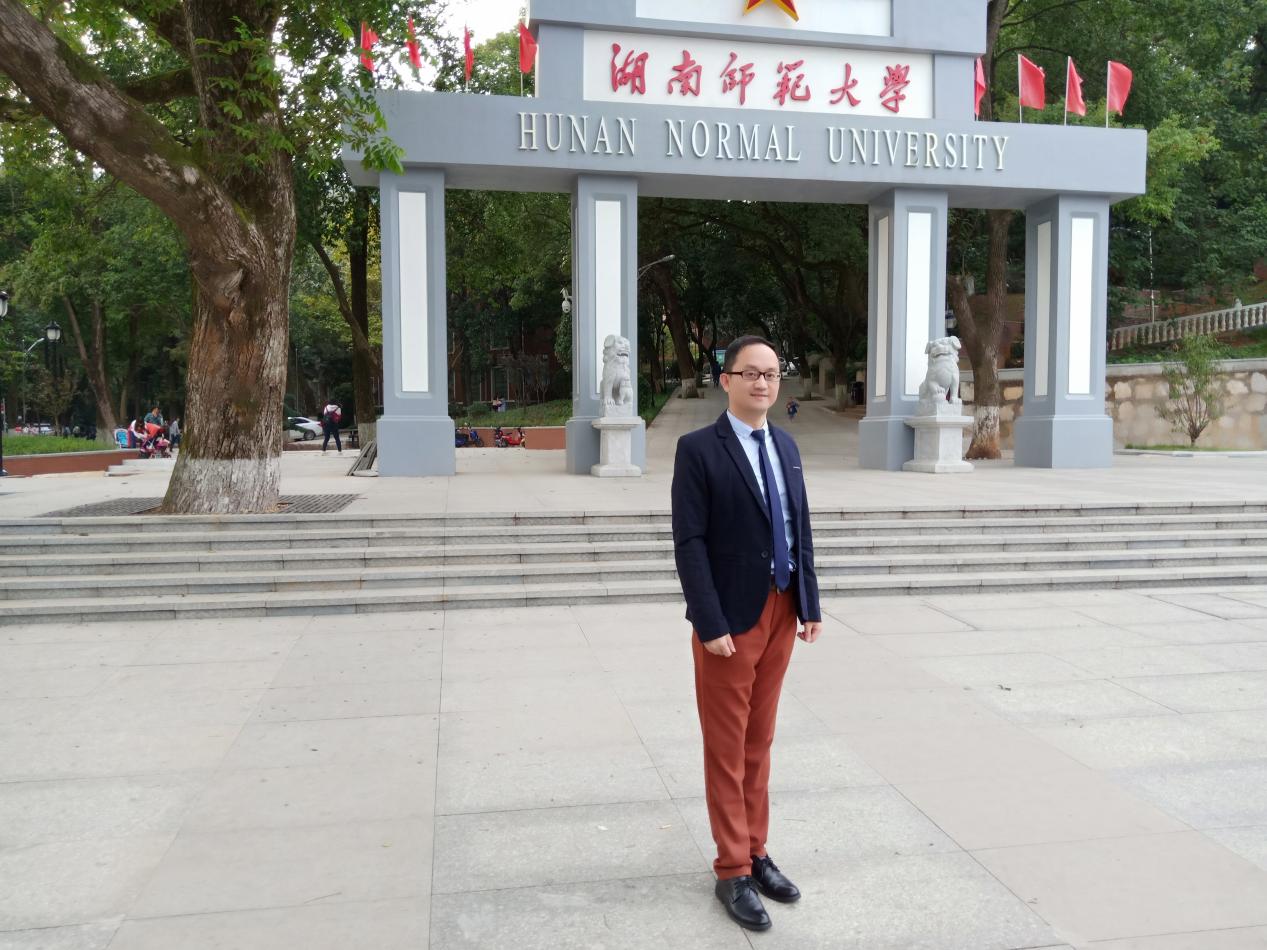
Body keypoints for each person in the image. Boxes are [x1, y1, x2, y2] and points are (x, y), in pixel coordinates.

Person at [671, 335, 822, 933]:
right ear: (726, 381)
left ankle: (757, 852)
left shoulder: (785, 445)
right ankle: (732, 868)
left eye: (772, 374)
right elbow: (689, 541)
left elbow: (798, 527)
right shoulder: (698, 450)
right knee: (727, 747)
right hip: (730, 622)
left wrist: (809, 603)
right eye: (751, 373)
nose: (763, 383)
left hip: (782, 610)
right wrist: (708, 621)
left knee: (760, 742)